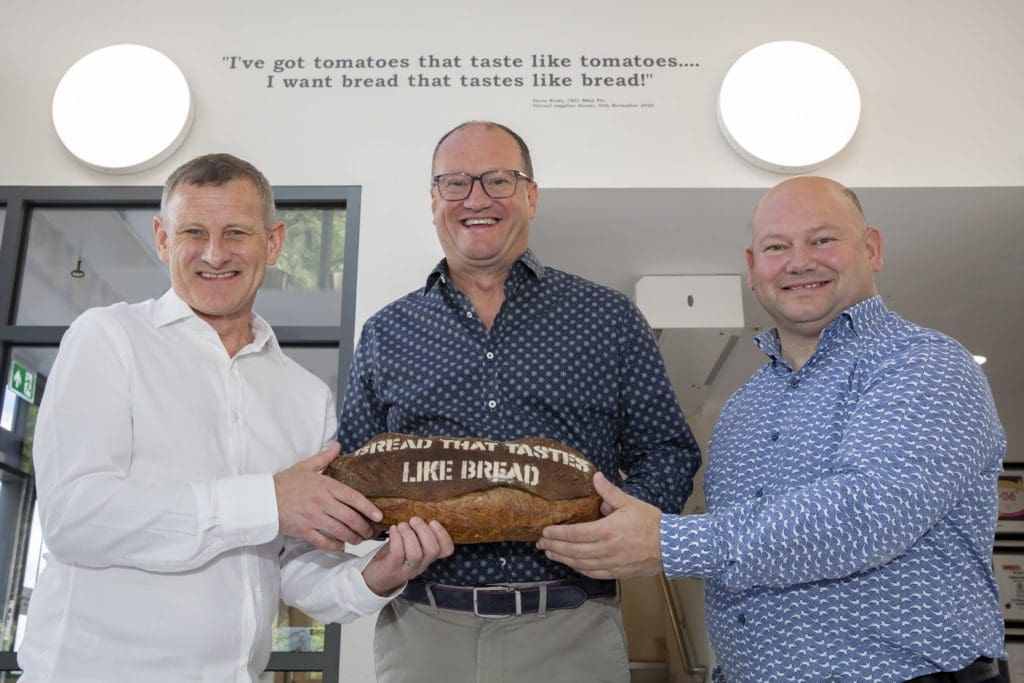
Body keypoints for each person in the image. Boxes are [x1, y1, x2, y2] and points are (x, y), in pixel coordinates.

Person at [539, 175, 1007, 682]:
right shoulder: (744, 408)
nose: (799, 261)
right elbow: (740, 574)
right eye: (777, 246)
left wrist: (668, 542)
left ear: (871, 248)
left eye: (822, 239)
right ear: (753, 268)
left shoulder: (923, 364)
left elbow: (870, 512)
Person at [18, 153, 453, 682]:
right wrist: (267, 499)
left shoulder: (304, 395)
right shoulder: (107, 339)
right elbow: (74, 517)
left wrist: (378, 575)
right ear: (162, 238)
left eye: (237, 233)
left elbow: (293, 568)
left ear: (273, 242)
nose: (214, 253)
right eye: (193, 232)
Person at [336, 121, 701, 682]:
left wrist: (619, 523)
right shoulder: (387, 333)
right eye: (455, 183)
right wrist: (370, 537)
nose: (476, 199)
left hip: (572, 629)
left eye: (499, 180)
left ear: (531, 195)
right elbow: (356, 480)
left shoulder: (607, 319)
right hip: (424, 631)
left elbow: (669, 451)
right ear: (433, 200)